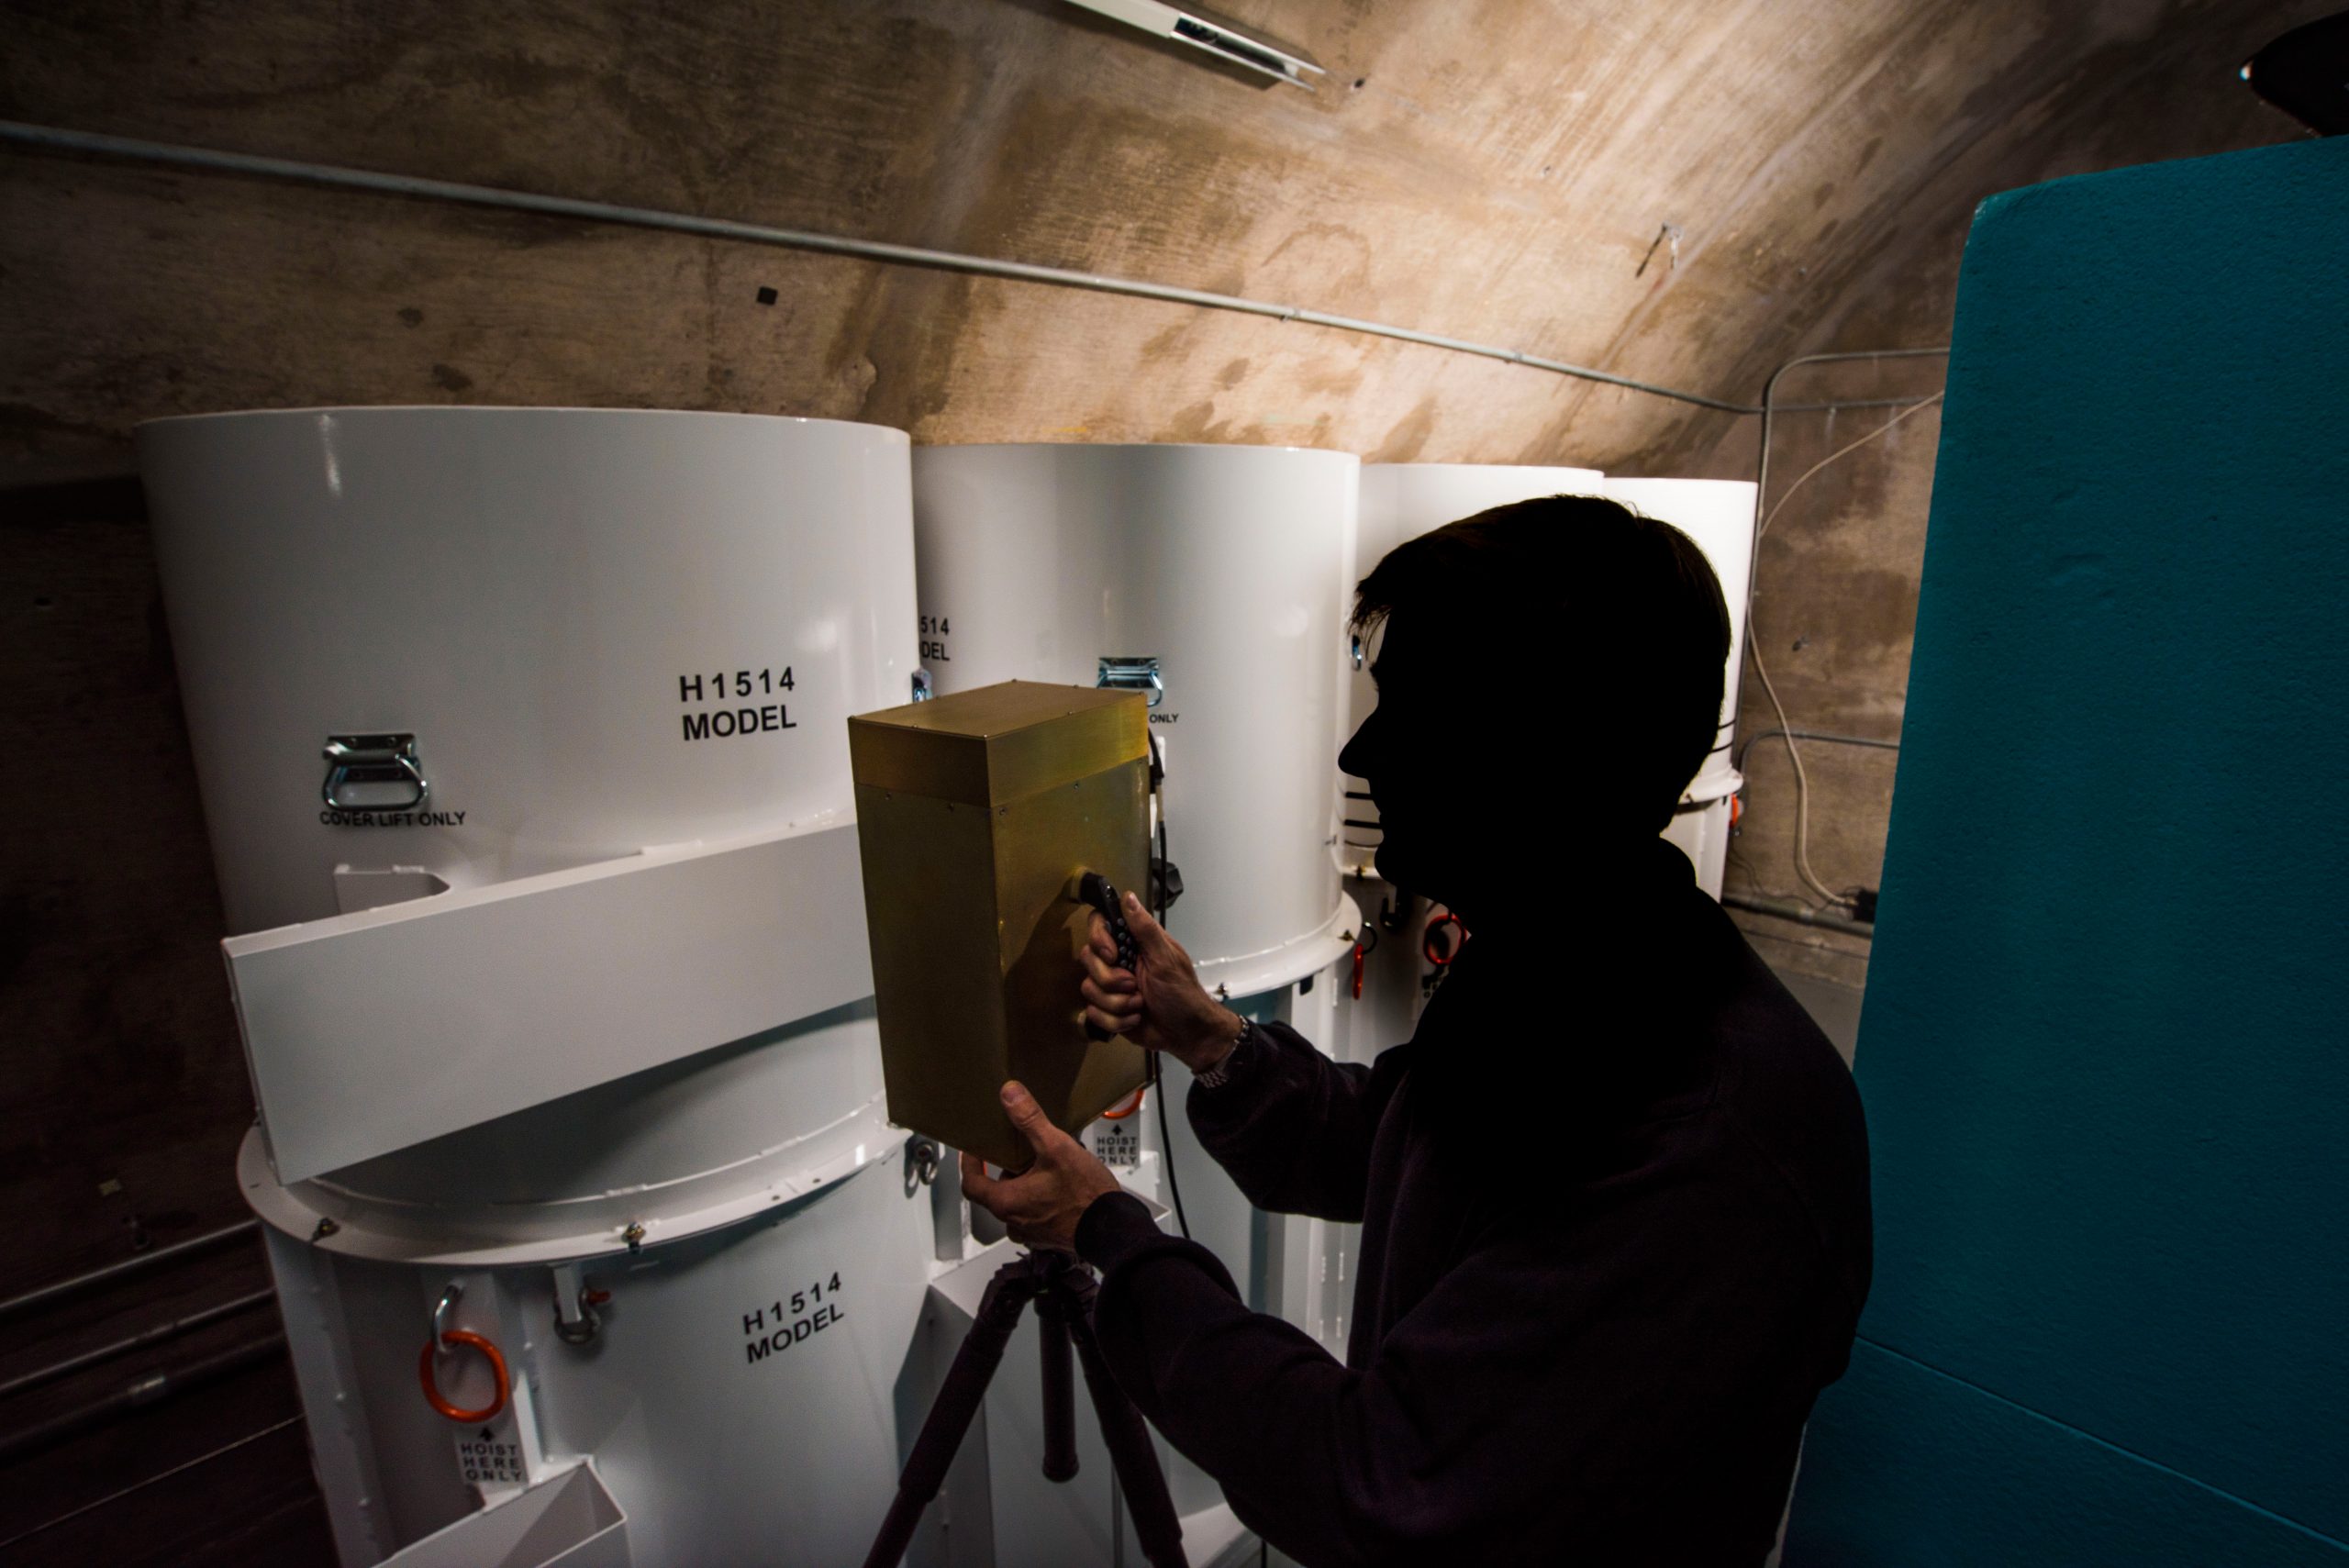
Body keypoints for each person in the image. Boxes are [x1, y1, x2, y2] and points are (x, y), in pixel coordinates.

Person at [962, 496, 1872, 1566]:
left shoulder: (1699, 1152)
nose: (1358, 751)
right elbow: (1403, 1139)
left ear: (1537, 751)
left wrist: (1110, 1232)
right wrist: (1214, 1040)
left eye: (1409, 710)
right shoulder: (1565, 958)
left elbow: (1376, 1488)